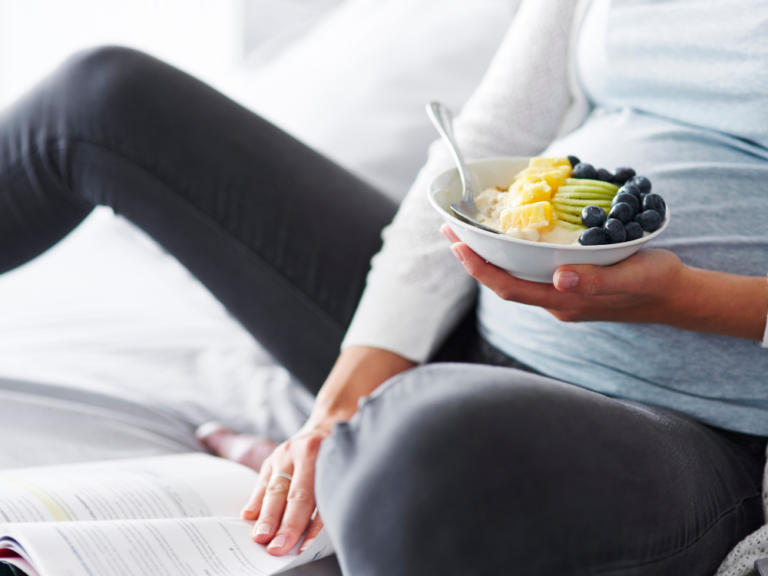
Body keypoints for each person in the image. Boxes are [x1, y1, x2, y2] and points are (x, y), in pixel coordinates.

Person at [2, 0, 768, 574]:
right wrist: (335, 412)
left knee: (422, 452)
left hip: (693, 421)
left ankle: (365, 472)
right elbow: (486, 141)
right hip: (474, 317)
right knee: (102, 98)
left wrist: (681, 298)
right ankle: (344, 455)